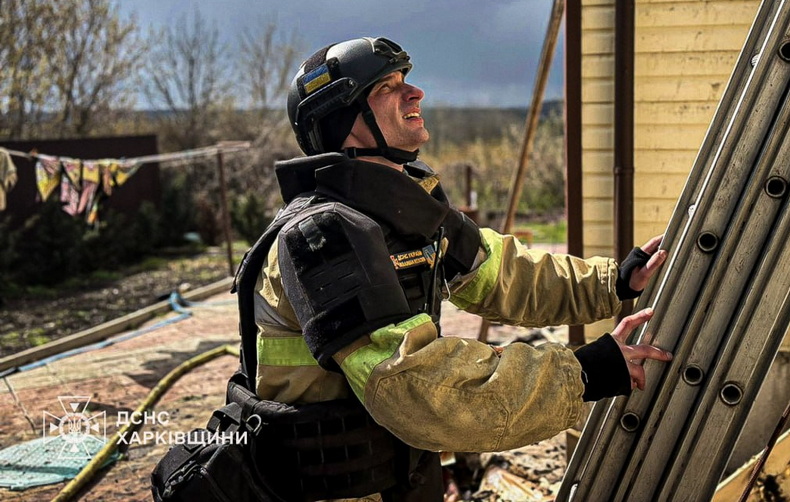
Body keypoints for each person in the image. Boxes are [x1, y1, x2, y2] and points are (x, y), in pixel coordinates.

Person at [241, 36, 671, 502]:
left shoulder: (405, 211)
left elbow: (504, 274)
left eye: (405, 80)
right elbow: (414, 387)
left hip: (398, 476)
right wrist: (584, 372)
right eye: (386, 87)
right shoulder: (322, 238)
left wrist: (614, 283)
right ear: (342, 121)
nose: (415, 93)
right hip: (336, 490)